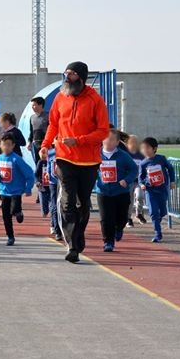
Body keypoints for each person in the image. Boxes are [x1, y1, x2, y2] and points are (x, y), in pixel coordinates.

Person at [40, 61, 110, 263]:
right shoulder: (61, 97)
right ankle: (72, 245)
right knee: (67, 202)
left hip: (88, 161)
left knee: (83, 204)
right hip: (64, 157)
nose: (66, 77)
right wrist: (45, 145)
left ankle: (78, 237)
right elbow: (53, 124)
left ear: (80, 77)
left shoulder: (95, 100)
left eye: (70, 74)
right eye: (65, 73)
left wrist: (79, 140)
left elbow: (103, 131)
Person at [96, 130, 139, 251]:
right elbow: (89, 168)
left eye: (111, 140)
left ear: (116, 142)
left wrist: (127, 180)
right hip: (103, 191)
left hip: (121, 192)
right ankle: (108, 242)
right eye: (106, 138)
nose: (108, 142)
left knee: (122, 218)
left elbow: (134, 170)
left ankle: (119, 228)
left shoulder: (123, 155)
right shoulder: (96, 154)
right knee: (106, 218)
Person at [0, 132, 36, 246]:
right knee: (6, 216)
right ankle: (10, 237)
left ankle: (18, 212)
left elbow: (29, 173)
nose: (6, 147)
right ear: (0, 145)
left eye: (8, 144)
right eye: (4, 144)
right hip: (4, 191)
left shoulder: (17, 159)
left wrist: (28, 188)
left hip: (16, 191)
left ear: (13, 146)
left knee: (13, 210)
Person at [138, 137, 176, 243]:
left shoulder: (161, 159)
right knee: (154, 212)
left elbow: (170, 169)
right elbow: (141, 178)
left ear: (154, 148)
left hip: (162, 190)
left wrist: (172, 181)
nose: (145, 150)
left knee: (163, 211)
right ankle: (157, 234)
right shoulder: (143, 163)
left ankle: (157, 221)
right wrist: (142, 184)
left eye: (147, 148)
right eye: (143, 148)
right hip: (150, 191)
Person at [125, 134, 147, 225]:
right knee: (129, 200)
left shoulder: (141, 155)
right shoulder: (125, 154)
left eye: (135, 142)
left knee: (140, 196)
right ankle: (128, 218)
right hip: (129, 180)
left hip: (139, 181)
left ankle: (139, 213)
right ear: (128, 143)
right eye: (131, 142)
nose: (134, 144)